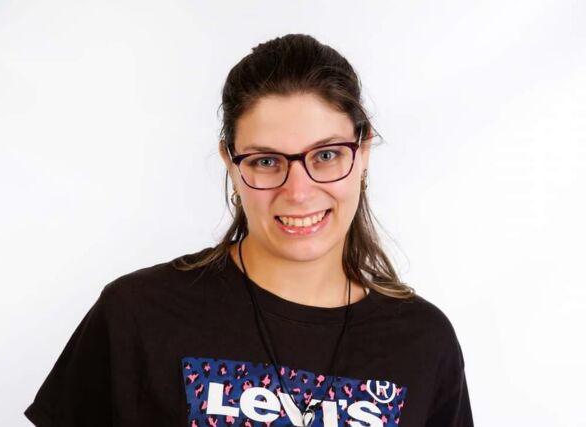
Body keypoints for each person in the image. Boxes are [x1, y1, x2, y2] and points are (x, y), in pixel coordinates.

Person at [24, 34, 473, 426]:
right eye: (266, 161)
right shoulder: (137, 314)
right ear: (231, 162)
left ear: (363, 148)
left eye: (326, 155)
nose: (298, 191)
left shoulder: (422, 342)